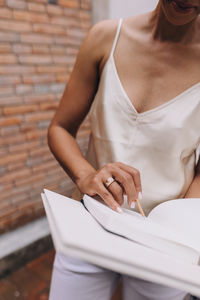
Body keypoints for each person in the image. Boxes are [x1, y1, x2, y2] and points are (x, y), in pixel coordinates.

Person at [47, 0, 200, 299]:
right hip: (93, 218)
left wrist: (182, 230)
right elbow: (60, 129)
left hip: (165, 244)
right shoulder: (105, 37)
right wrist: (85, 176)